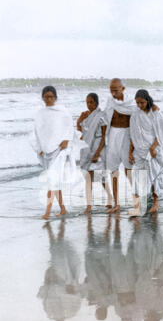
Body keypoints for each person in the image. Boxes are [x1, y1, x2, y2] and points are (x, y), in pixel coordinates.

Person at [128, 89, 163, 216]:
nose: (139, 105)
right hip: (139, 150)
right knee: (137, 177)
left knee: (154, 176)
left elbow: (160, 133)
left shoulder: (155, 113)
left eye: (142, 103)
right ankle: (138, 206)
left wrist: (153, 148)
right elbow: (133, 135)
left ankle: (156, 203)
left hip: (152, 149)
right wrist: (130, 151)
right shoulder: (135, 114)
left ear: (147, 100)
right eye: (137, 103)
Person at [30, 86, 76, 220]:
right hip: (46, 150)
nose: (48, 99)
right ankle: (63, 209)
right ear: (42, 98)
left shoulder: (62, 111)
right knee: (55, 181)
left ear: (55, 98)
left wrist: (67, 140)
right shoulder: (40, 113)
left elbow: (69, 127)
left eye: (51, 97)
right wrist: (39, 148)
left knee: (52, 181)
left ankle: (47, 212)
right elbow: (37, 132)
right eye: (46, 97)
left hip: (59, 150)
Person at [77, 92, 112, 213]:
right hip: (87, 148)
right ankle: (88, 205)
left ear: (96, 103)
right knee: (88, 177)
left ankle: (110, 197)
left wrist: (97, 153)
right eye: (87, 102)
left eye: (91, 102)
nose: (89, 104)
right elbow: (80, 130)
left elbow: (104, 136)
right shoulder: (86, 115)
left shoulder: (101, 116)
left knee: (101, 177)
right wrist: (80, 119)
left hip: (98, 147)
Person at [104, 78, 135, 213]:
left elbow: (141, 114)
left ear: (123, 89)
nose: (113, 93)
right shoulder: (110, 102)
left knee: (129, 170)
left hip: (127, 135)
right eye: (111, 90)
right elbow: (104, 119)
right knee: (113, 170)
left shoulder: (131, 103)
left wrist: (132, 147)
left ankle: (137, 201)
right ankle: (116, 203)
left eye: (116, 90)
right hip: (113, 136)